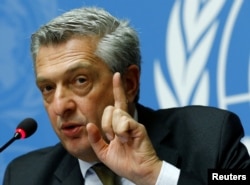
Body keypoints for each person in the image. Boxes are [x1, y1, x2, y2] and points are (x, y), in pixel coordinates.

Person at [3, 7, 250, 185]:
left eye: (80, 81)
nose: (59, 106)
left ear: (129, 83)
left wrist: (155, 176)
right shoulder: (25, 175)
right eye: (47, 88)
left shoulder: (210, 137)